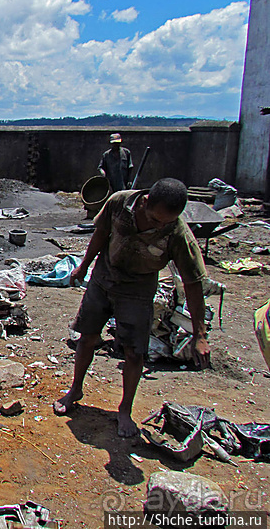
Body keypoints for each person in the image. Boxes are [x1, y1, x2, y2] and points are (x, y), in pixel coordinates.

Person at [53, 178, 210, 438]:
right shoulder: (119, 203)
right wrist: (84, 265)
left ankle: (125, 409)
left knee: (134, 352)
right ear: (145, 202)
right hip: (104, 278)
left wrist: (200, 334)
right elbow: (101, 234)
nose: (161, 226)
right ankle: (75, 389)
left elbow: (193, 283)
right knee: (88, 337)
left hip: (138, 289)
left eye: (166, 222)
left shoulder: (177, 232)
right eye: (156, 220)